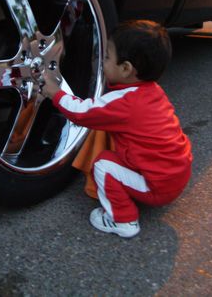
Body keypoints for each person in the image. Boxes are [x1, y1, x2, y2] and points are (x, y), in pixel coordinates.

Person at [41, 20, 192, 238]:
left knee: (103, 165)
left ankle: (123, 220)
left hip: (158, 186)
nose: (102, 61)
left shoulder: (124, 103)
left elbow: (82, 112)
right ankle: (139, 192)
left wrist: (55, 92)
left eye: (108, 57)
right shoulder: (154, 91)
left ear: (126, 68)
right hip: (178, 174)